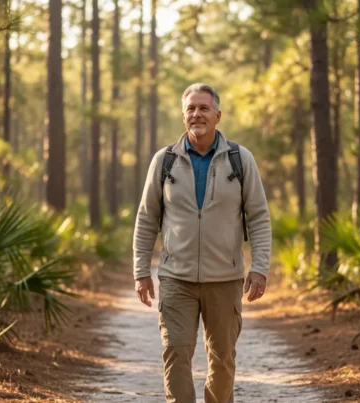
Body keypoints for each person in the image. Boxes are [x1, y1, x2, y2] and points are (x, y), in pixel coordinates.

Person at [133, 83, 271, 403]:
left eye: (204, 108)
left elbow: (259, 218)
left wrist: (259, 268)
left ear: (217, 115)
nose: (197, 114)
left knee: (222, 360)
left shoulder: (240, 159)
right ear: (183, 116)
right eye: (191, 109)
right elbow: (146, 219)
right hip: (175, 278)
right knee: (176, 354)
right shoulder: (164, 161)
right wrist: (141, 271)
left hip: (225, 279)